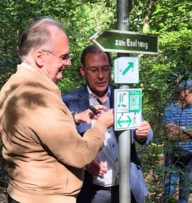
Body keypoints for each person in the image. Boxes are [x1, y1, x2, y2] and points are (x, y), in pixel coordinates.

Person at [0, 17, 114, 203]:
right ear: (40, 57)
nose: (67, 63)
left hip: (25, 192)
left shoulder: (15, 85)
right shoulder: (37, 97)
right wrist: (101, 125)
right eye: (63, 57)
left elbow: (37, 126)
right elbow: (79, 154)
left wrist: (75, 117)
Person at [62, 45, 153, 203]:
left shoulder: (123, 95)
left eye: (105, 68)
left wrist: (144, 132)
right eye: (94, 69)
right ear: (83, 70)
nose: (101, 76)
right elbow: (62, 145)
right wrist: (84, 163)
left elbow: (145, 132)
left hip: (128, 188)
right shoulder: (70, 102)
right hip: (91, 192)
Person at [162, 79, 192, 203]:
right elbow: (170, 134)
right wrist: (190, 131)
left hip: (191, 155)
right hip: (173, 155)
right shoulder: (169, 110)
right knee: (169, 189)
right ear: (183, 93)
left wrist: (181, 129)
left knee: (185, 191)